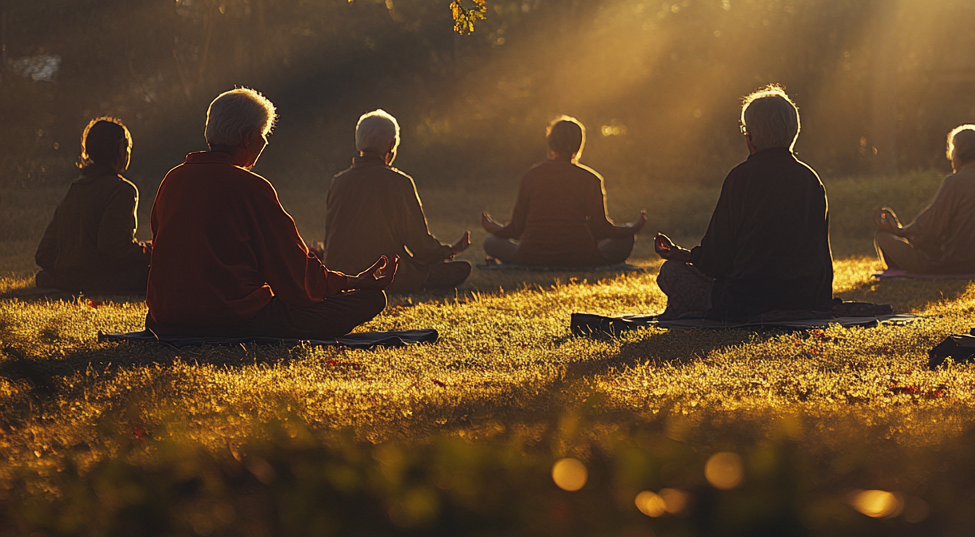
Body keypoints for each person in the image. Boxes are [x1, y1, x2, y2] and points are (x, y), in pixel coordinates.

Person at [146, 88, 395, 338]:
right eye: (263, 135)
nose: (264, 143)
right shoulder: (252, 187)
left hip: (168, 318)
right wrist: (352, 282)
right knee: (371, 300)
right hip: (235, 319)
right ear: (247, 138)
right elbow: (295, 275)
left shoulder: (172, 180)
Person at [653, 86, 833, 320]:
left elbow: (716, 261)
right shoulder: (810, 179)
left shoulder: (743, 177)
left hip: (748, 301)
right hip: (807, 298)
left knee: (670, 272)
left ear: (751, 135)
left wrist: (682, 255)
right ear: (793, 132)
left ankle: (687, 310)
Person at [323, 110, 472, 292]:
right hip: (385, 276)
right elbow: (420, 246)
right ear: (392, 144)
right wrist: (448, 251)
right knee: (461, 269)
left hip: (339, 276)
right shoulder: (400, 182)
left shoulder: (338, 182)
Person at [481, 116, 646, 267]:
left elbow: (517, 229)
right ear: (580, 144)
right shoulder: (591, 178)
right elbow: (600, 230)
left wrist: (496, 229)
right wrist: (631, 228)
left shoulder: (532, 175)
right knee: (626, 240)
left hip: (531, 256)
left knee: (491, 242)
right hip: (581, 257)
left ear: (550, 142)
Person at [873, 125, 975, 276]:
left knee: (883, 238)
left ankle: (902, 268)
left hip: (953, 264)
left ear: (957, 152)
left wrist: (900, 231)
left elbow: (931, 227)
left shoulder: (954, 182)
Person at [34, 117, 152, 292]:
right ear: (120, 148)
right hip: (102, 279)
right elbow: (114, 248)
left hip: (66, 279)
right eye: (127, 147)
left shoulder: (74, 189)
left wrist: (67, 268)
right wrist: (148, 251)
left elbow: (44, 254)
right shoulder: (122, 190)